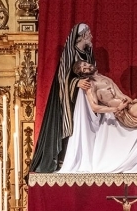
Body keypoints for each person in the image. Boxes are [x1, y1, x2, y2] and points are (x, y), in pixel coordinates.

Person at [30, 24, 95, 173]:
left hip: (86, 99)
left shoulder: (88, 54)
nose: (91, 36)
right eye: (89, 34)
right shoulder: (70, 53)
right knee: (71, 124)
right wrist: (76, 82)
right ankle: (64, 159)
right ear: (83, 35)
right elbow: (62, 77)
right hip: (70, 99)